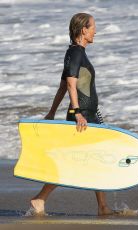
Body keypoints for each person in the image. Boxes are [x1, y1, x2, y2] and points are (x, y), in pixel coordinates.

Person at [30, 13, 113, 216]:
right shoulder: (76, 53)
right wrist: (77, 113)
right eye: (93, 26)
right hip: (83, 115)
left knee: (95, 159)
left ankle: (103, 207)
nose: (95, 30)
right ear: (84, 30)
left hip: (88, 114)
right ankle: (40, 198)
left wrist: (51, 112)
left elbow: (62, 87)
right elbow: (70, 84)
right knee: (73, 160)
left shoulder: (75, 53)